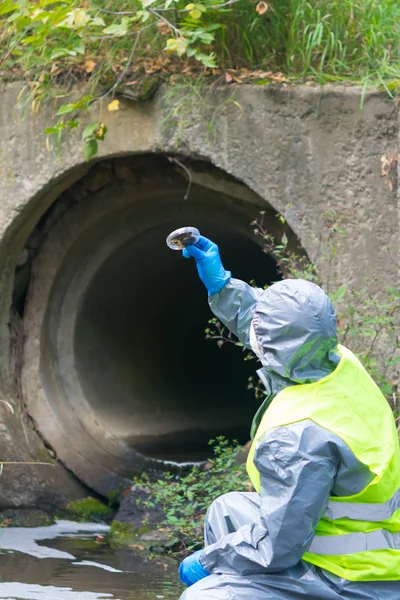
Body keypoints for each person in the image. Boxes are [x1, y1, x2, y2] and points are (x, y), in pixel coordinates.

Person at [177, 235, 400, 600]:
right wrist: (223, 285)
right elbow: (279, 328)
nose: (256, 337)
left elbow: (279, 546)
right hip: (367, 542)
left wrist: (208, 559)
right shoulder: (334, 360)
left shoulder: (300, 435)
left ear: (277, 349)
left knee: (206, 596)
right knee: (228, 510)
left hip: (350, 579)